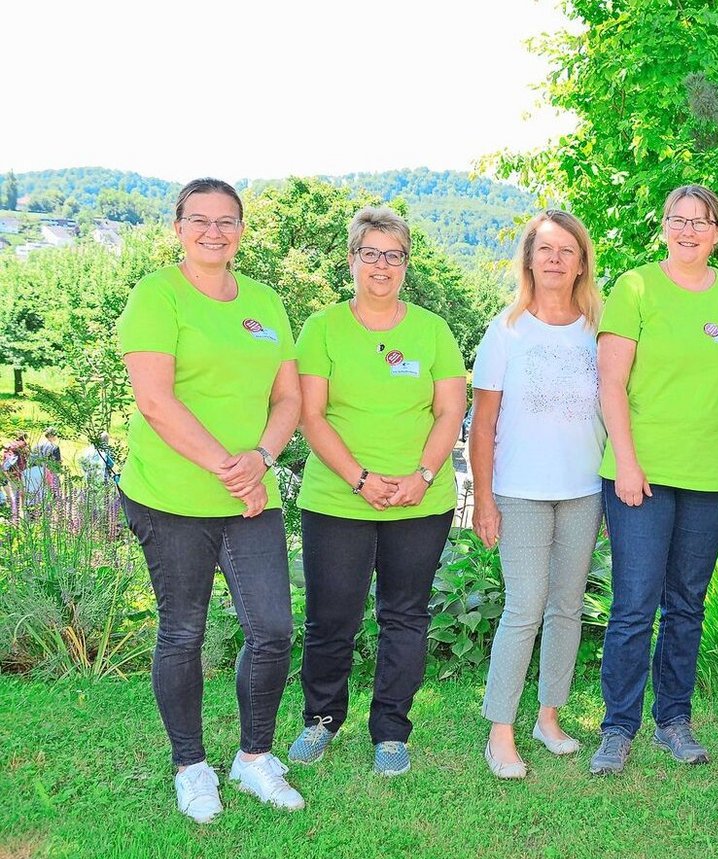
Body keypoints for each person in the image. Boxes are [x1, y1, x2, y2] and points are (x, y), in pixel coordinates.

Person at [116, 178, 304, 823]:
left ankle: (254, 758)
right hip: (171, 495)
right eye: (200, 220)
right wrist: (230, 467)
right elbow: (155, 400)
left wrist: (263, 460)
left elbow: (289, 399)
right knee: (182, 631)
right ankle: (191, 765)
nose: (213, 232)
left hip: (252, 494)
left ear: (242, 230)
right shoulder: (157, 295)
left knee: (273, 628)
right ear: (178, 227)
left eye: (227, 221)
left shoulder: (266, 302)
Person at [287, 207, 467, 778]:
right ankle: (321, 719)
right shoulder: (322, 328)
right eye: (371, 253)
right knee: (331, 617)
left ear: (406, 264)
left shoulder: (432, 330)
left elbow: (450, 410)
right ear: (352, 260)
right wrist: (360, 480)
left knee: (405, 616)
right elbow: (311, 416)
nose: (382, 265)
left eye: (393, 255)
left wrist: (423, 475)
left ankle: (391, 729)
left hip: (419, 499)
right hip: (339, 498)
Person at [589, 184, 718, 775]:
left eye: (702, 221)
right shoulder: (635, 287)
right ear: (664, 227)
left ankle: (674, 721)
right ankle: (617, 728)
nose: (689, 230)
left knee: (687, 604)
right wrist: (627, 462)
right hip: (641, 475)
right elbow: (610, 383)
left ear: (717, 233)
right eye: (678, 220)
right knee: (634, 605)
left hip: (711, 476)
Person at [471, 209, 606, 779]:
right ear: (529, 259)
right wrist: (483, 497)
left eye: (566, 251)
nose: (555, 259)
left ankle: (548, 716)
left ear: (580, 263)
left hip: (582, 488)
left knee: (567, 607)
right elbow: (482, 425)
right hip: (520, 491)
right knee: (525, 606)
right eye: (544, 249)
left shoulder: (597, 331)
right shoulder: (506, 331)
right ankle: (499, 731)